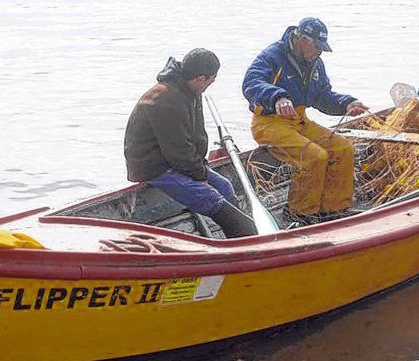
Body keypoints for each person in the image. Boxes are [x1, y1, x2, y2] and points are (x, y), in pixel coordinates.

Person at [242, 17, 368, 221]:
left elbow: (322, 96)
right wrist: (277, 97)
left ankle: (334, 209)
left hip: (299, 120)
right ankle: (299, 212)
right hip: (268, 123)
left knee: (343, 149)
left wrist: (346, 103)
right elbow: (251, 84)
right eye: (317, 46)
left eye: (322, 48)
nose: (319, 52)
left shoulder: (315, 63)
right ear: (303, 39)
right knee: (314, 157)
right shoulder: (271, 56)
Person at [124, 48, 256, 238]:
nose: (210, 84)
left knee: (225, 186)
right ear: (200, 79)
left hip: (178, 162)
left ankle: (245, 234)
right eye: (211, 80)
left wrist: (201, 167)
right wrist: (199, 175)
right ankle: (244, 242)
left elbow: (195, 135)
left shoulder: (190, 91)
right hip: (156, 167)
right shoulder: (166, 100)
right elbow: (178, 151)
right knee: (210, 198)